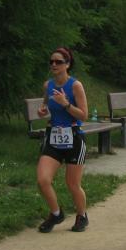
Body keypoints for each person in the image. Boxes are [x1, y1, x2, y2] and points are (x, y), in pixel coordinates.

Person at [36, 47, 90, 233]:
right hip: (53, 136)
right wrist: (42, 110)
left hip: (74, 137)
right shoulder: (48, 85)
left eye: (58, 62)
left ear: (67, 64)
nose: (54, 65)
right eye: (51, 61)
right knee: (43, 179)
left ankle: (82, 215)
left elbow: (83, 115)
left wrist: (66, 104)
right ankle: (56, 213)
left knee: (72, 184)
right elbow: (45, 105)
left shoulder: (75, 86)